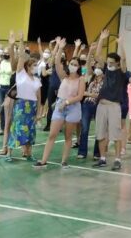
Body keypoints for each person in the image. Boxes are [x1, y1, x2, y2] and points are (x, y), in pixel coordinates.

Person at [36, 38, 86, 168]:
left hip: (73, 108)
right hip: (60, 106)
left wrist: (68, 102)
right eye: (72, 63)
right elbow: (57, 62)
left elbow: (80, 96)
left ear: (79, 67)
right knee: (52, 134)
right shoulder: (63, 76)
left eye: (76, 64)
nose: (73, 66)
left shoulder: (81, 79)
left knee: (68, 136)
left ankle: (64, 161)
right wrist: (59, 47)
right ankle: (43, 160)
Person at [93, 29, 127, 170]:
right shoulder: (106, 70)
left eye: (112, 62)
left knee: (116, 134)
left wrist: (121, 45)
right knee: (100, 133)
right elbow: (97, 56)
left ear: (118, 63)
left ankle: (118, 159)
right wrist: (101, 39)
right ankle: (102, 158)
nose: (109, 64)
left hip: (114, 106)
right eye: (108, 62)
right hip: (102, 105)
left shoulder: (122, 72)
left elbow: (124, 59)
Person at [7, 30, 41, 161]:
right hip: (21, 105)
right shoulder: (21, 74)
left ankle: (28, 153)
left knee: (30, 130)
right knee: (16, 128)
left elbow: (38, 99)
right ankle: (9, 153)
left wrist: (38, 113)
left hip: (31, 107)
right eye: (34, 65)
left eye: (36, 65)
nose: (36, 67)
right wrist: (20, 41)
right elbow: (21, 56)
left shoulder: (37, 81)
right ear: (28, 66)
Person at [78, 58, 104, 159]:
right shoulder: (91, 77)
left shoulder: (106, 80)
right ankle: (82, 152)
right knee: (84, 128)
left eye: (99, 67)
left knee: (99, 129)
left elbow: (102, 95)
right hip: (87, 104)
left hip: (99, 105)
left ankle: (97, 153)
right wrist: (90, 94)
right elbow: (84, 92)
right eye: (96, 67)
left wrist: (94, 95)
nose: (97, 69)